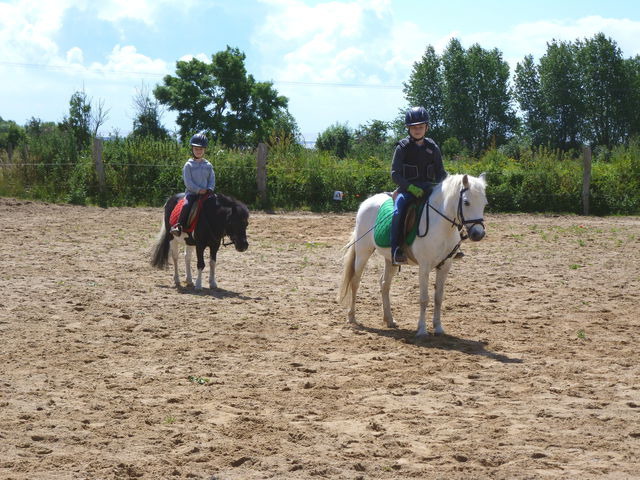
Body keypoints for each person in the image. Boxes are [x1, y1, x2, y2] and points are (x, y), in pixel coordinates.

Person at [390, 106, 447, 265]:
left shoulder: (432, 147)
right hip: (408, 190)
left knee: (452, 206)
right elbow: (395, 174)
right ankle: (396, 249)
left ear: (426, 128)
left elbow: (440, 172)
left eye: (420, 127)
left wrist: (449, 183)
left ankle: (452, 246)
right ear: (408, 128)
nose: (417, 130)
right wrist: (410, 188)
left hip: (429, 189)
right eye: (414, 127)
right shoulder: (402, 147)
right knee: (398, 210)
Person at [170, 132, 215, 237]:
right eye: (196, 149)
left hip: (206, 194)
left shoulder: (208, 165)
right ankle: (179, 225)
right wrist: (199, 190)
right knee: (186, 205)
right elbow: (188, 182)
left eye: (201, 149)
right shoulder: (188, 165)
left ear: (204, 150)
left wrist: (209, 188)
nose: (198, 151)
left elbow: (212, 179)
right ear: (192, 149)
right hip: (192, 194)